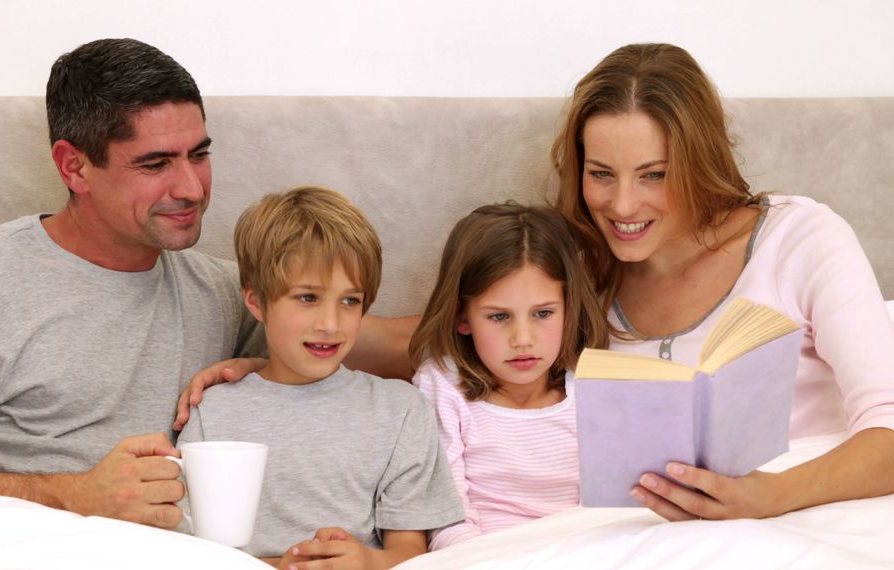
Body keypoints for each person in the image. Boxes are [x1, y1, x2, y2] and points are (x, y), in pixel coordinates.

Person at [0, 38, 270, 528]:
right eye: (155, 164)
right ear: (74, 166)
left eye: (200, 154)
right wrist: (78, 495)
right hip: (1, 545)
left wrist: (260, 366)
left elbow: (364, 344)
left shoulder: (223, 292)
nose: (192, 188)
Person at [551, 42, 894, 521]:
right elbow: (461, 329)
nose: (623, 206)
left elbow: (890, 426)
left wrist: (770, 498)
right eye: (601, 174)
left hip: (802, 517)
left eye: (654, 175)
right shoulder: (579, 273)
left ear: (698, 162)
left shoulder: (802, 240)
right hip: (639, 539)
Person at [177, 186, 464, 568]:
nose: (330, 324)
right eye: (308, 298)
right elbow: (185, 551)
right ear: (256, 302)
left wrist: (364, 561)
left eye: (350, 301)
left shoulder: (400, 411)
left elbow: (410, 553)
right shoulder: (211, 412)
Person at [409, 203, 608, 549]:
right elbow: (446, 521)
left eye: (543, 313)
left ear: (569, 307)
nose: (522, 339)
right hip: (480, 556)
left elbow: (607, 510)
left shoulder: (594, 386)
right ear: (462, 316)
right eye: (499, 317)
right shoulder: (443, 386)